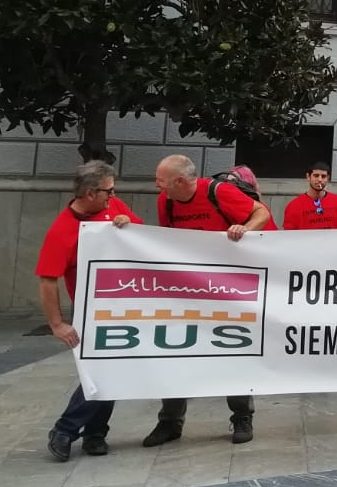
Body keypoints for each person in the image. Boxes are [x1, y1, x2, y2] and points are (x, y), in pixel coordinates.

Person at [147, 154, 273, 446]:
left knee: (233, 348)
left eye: (161, 180)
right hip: (188, 290)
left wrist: (245, 230)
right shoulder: (166, 201)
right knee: (176, 352)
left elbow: (261, 213)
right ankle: (170, 422)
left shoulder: (219, 192)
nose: (157, 185)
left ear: (179, 181)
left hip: (228, 289)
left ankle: (242, 416)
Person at [39, 161, 141, 461]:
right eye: (108, 190)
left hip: (124, 302)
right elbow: (47, 279)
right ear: (89, 192)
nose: (114, 195)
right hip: (92, 308)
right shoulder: (62, 231)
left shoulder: (114, 205)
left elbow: (143, 237)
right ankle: (66, 429)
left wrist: (129, 224)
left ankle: (95, 433)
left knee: (111, 369)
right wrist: (57, 324)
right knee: (105, 370)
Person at [283, 162, 337, 230]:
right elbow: (289, 235)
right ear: (308, 177)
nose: (320, 180)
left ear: (328, 178)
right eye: (316, 176)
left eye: (323, 176)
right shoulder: (293, 206)